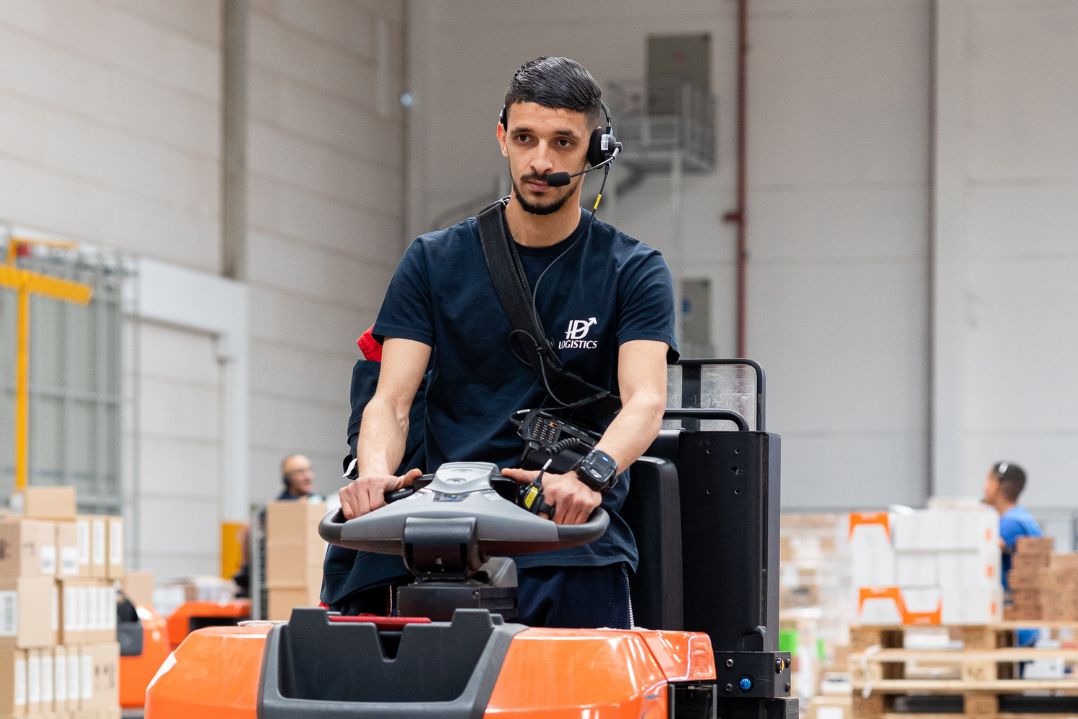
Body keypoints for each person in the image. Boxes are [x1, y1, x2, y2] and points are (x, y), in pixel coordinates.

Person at [337, 56, 677, 629]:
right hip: (446, 537)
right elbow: (391, 401)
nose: (541, 161)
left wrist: (589, 477)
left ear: (595, 151)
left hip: (569, 530)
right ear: (502, 139)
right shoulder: (433, 261)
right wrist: (373, 473)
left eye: (563, 142)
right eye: (525, 138)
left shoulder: (634, 270)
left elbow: (645, 400)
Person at [982, 461, 1043, 649]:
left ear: (997, 485)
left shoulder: (1011, 524)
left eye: (988, 480)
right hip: (1023, 622)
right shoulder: (1023, 518)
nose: (984, 487)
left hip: (1014, 626)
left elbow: (985, 550)